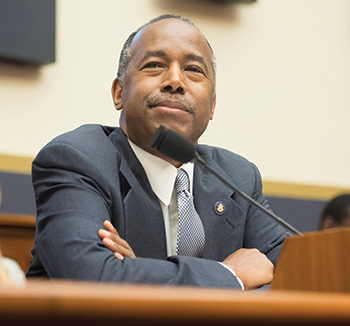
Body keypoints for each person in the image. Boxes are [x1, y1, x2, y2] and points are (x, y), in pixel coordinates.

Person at [26, 14, 288, 290]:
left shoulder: (237, 176)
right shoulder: (76, 159)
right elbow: (90, 275)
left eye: (194, 70)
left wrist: (136, 273)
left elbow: (297, 273)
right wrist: (229, 276)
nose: (175, 81)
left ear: (212, 106)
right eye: (154, 65)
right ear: (118, 93)